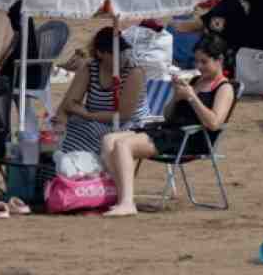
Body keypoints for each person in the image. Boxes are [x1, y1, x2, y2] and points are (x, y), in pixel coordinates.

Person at [98, 33, 236, 217]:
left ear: (219, 60)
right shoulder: (195, 82)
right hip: (171, 131)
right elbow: (168, 115)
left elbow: (214, 123)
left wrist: (192, 97)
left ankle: (127, 202)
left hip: (193, 138)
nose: (199, 67)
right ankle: (118, 195)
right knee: (109, 139)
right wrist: (176, 97)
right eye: (196, 61)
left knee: (124, 145)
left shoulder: (224, 88)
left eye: (204, 62)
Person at [56, 30, 145, 162]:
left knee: (86, 133)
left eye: (123, 51)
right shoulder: (90, 68)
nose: (121, 57)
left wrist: (88, 115)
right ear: (100, 53)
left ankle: (82, 173)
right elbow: (68, 104)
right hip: (93, 122)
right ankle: (65, 172)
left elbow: (124, 114)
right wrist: (61, 123)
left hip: (125, 125)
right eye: (115, 53)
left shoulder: (133, 72)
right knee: (62, 134)